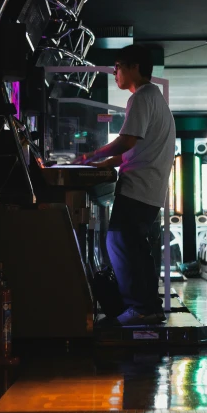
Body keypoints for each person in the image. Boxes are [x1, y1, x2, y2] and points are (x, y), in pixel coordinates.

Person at [74, 45, 175, 326]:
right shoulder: (153, 98)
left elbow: (127, 141)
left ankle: (141, 308)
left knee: (119, 242)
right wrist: (104, 164)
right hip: (149, 189)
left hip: (139, 188)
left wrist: (92, 154)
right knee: (133, 246)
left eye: (118, 66)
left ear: (134, 67)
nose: (115, 72)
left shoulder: (142, 97)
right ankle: (147, 306)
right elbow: (132, 150)